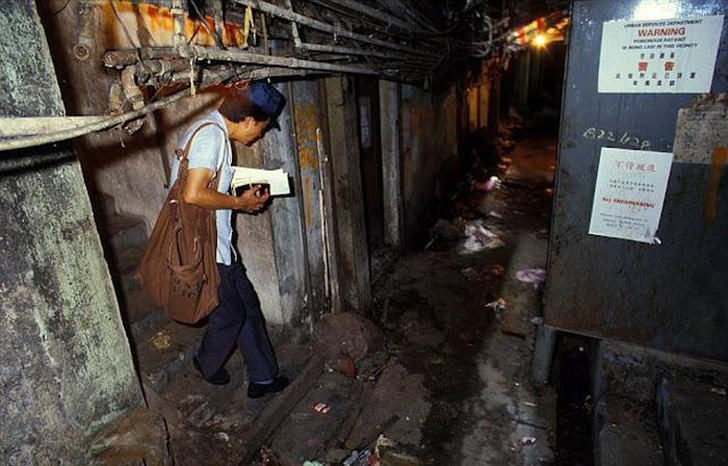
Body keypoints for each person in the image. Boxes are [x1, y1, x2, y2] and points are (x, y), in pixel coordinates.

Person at [168, 81, 288, 399]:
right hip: (204, 249)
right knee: (231, 315)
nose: (260, 135)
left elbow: (207, 184)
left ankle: (263, 377)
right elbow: (193, 193)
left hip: (220, 245)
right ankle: (205, 363)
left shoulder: (212, 130)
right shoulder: (211, 136)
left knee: (247, 306)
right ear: (248, 120)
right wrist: (240, 203)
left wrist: (240, 192)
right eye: (262, 127)